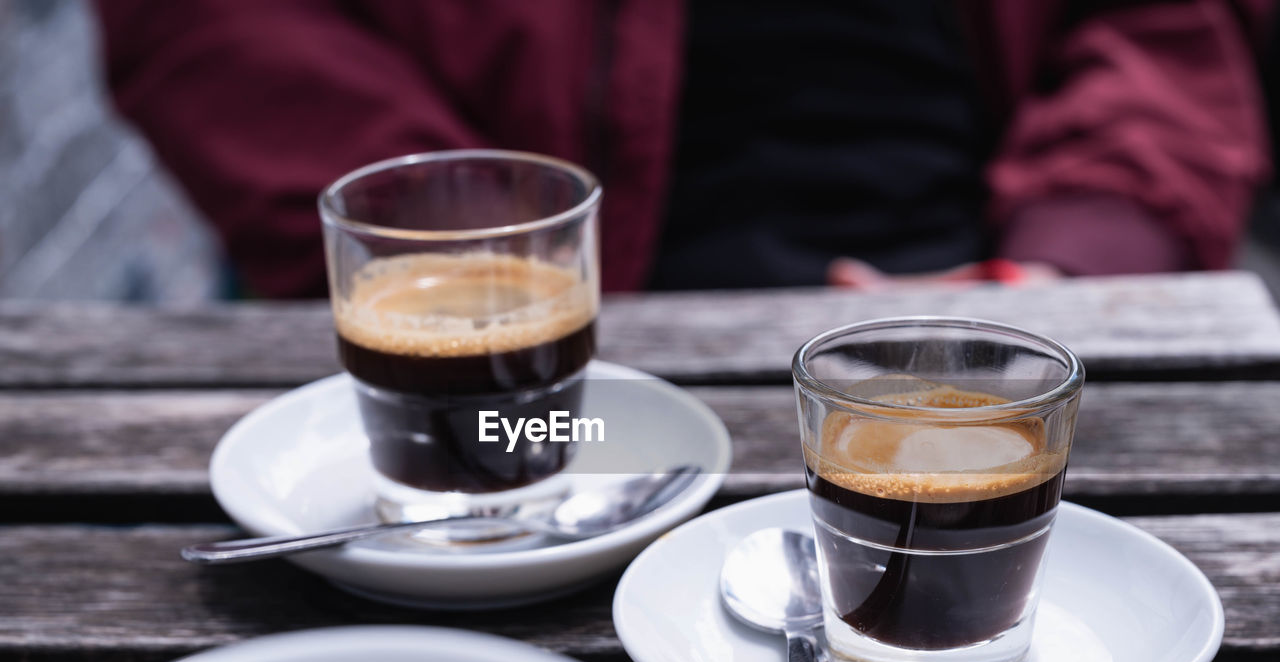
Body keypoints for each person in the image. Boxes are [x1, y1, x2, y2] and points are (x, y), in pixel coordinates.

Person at [91, 0, 1272, 298]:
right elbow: (221, 32)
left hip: (992, 315)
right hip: (558, 372)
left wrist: (1055, 274)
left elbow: (1160, 40)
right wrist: (484, 263)